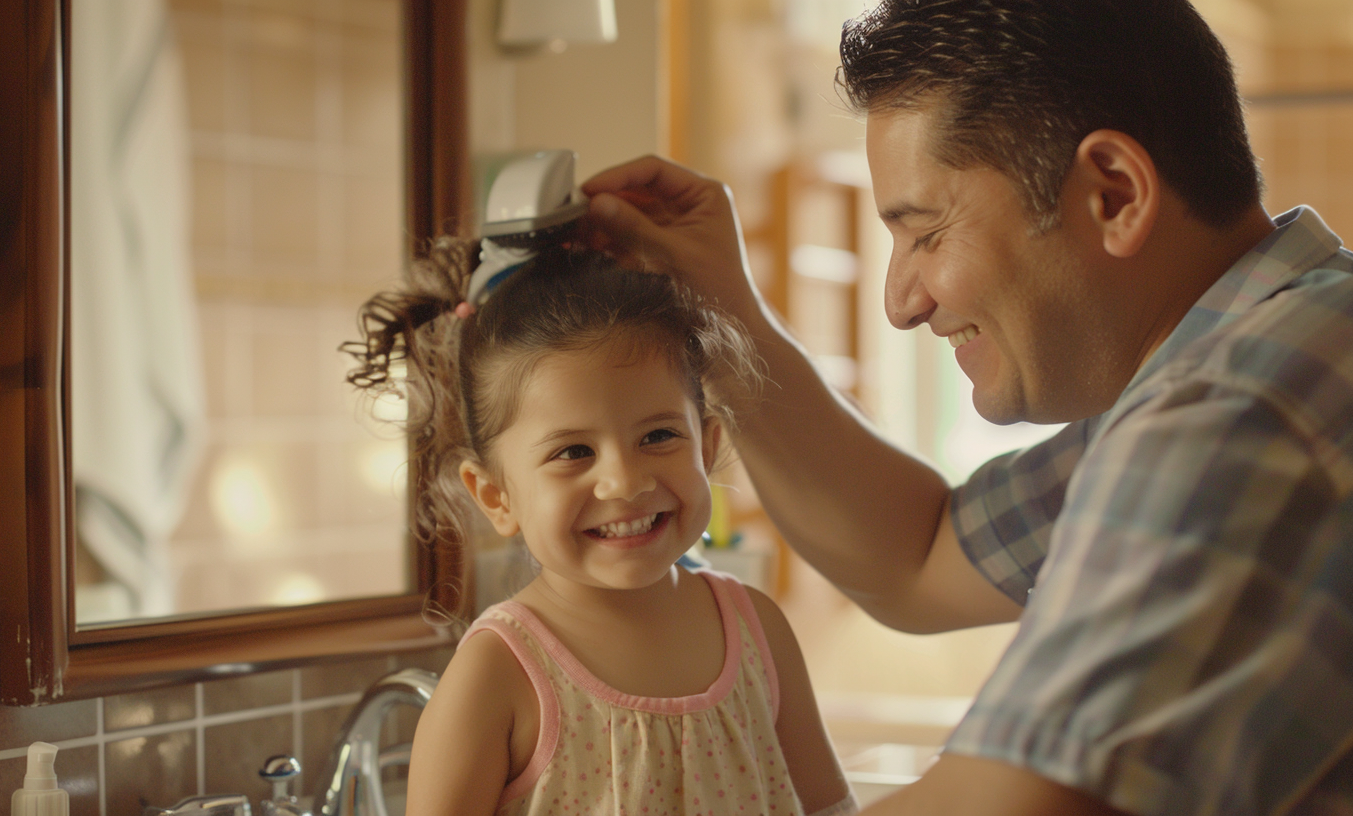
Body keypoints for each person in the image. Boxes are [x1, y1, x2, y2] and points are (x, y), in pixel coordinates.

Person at [578, 0, 1353, 814]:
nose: (899, 302)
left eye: (926, 232)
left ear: (1115, 194)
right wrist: (721, 305)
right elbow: (918, 557)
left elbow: (1020, 803)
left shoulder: (1234, 414)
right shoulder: (1278, 348)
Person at [345, 238, 857, 814]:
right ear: (495, 496)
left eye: (659, 436)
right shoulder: (497, 673)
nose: (625, 482)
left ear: (708, 445)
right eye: (573, 452)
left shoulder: (758, 631)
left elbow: (830, 808)